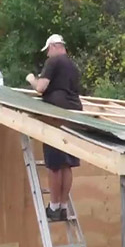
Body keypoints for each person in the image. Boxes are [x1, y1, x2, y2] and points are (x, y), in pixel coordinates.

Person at [26, 34, 82, 222]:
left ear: (55, 46)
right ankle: (64, 206)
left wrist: (32, 79)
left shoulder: (54, 61)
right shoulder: (73, 67)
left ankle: (54, 206)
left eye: (48, 50)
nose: (48, 54)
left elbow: (41, 88)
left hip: (57, 114)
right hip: (74, 114)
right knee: (67, 163)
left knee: (54, 164)